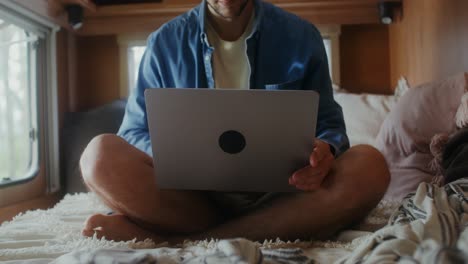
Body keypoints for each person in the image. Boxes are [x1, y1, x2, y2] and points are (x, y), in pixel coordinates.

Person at [80, 0, 390, 243]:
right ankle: (251, 229)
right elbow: (132, 132)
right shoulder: (163, 43)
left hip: (282, 194)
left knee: (371, 164)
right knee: (98, 156)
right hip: (189, 198)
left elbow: (330, 126)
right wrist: (172, 154)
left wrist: (325, 151)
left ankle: (183, 239)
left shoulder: (302, 36)